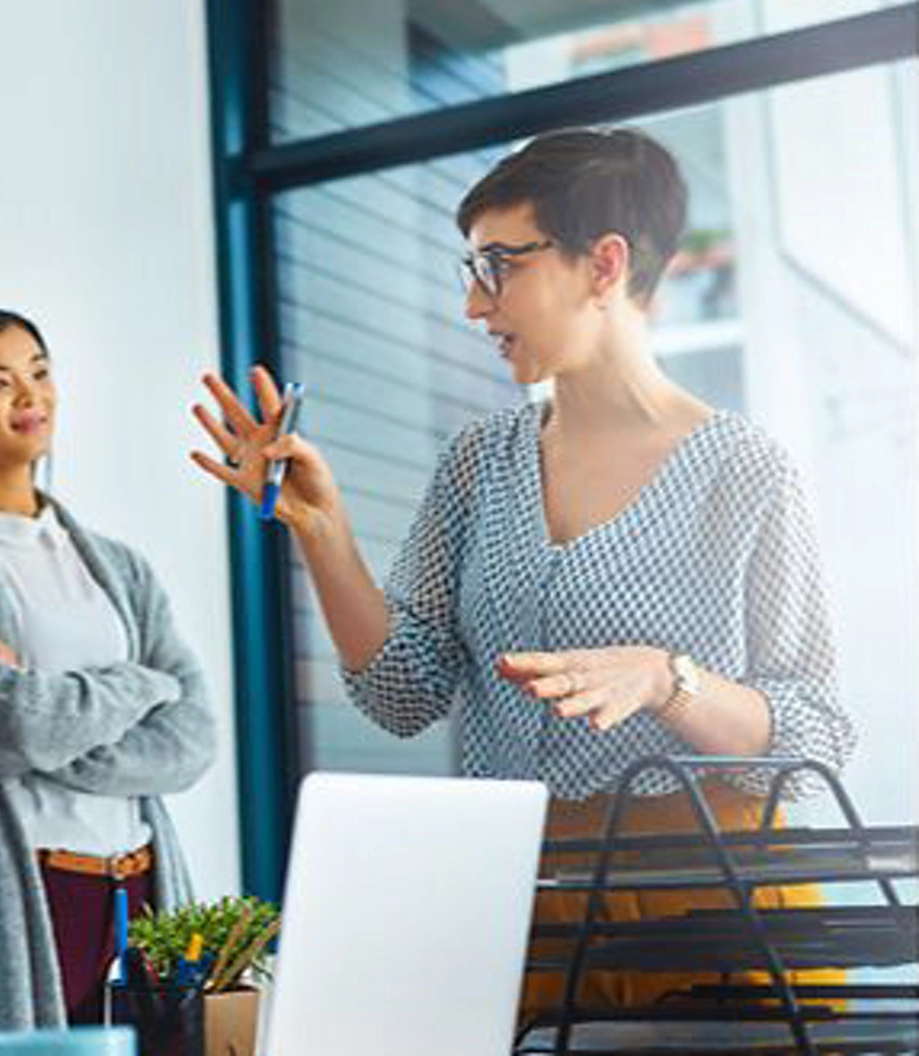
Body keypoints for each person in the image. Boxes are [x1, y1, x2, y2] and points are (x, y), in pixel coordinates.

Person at [191, 126, 856, 1010]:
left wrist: (666, 679)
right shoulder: (479, 461)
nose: (474, 305)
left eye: (498, 265)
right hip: (516, 901)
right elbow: (401, 691)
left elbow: (817, 730)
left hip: (713, 901)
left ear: (603, 265)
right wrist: (322, 530)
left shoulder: (746, 468)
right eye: (470, 269)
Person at [0, 306, 216, 1051]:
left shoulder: (119, 566)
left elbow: (193, 739)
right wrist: (140, 684)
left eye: (39, 371)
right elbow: (14, 726)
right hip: (27, 892)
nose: (31, 396)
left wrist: (51, 717)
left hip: (141, 889)